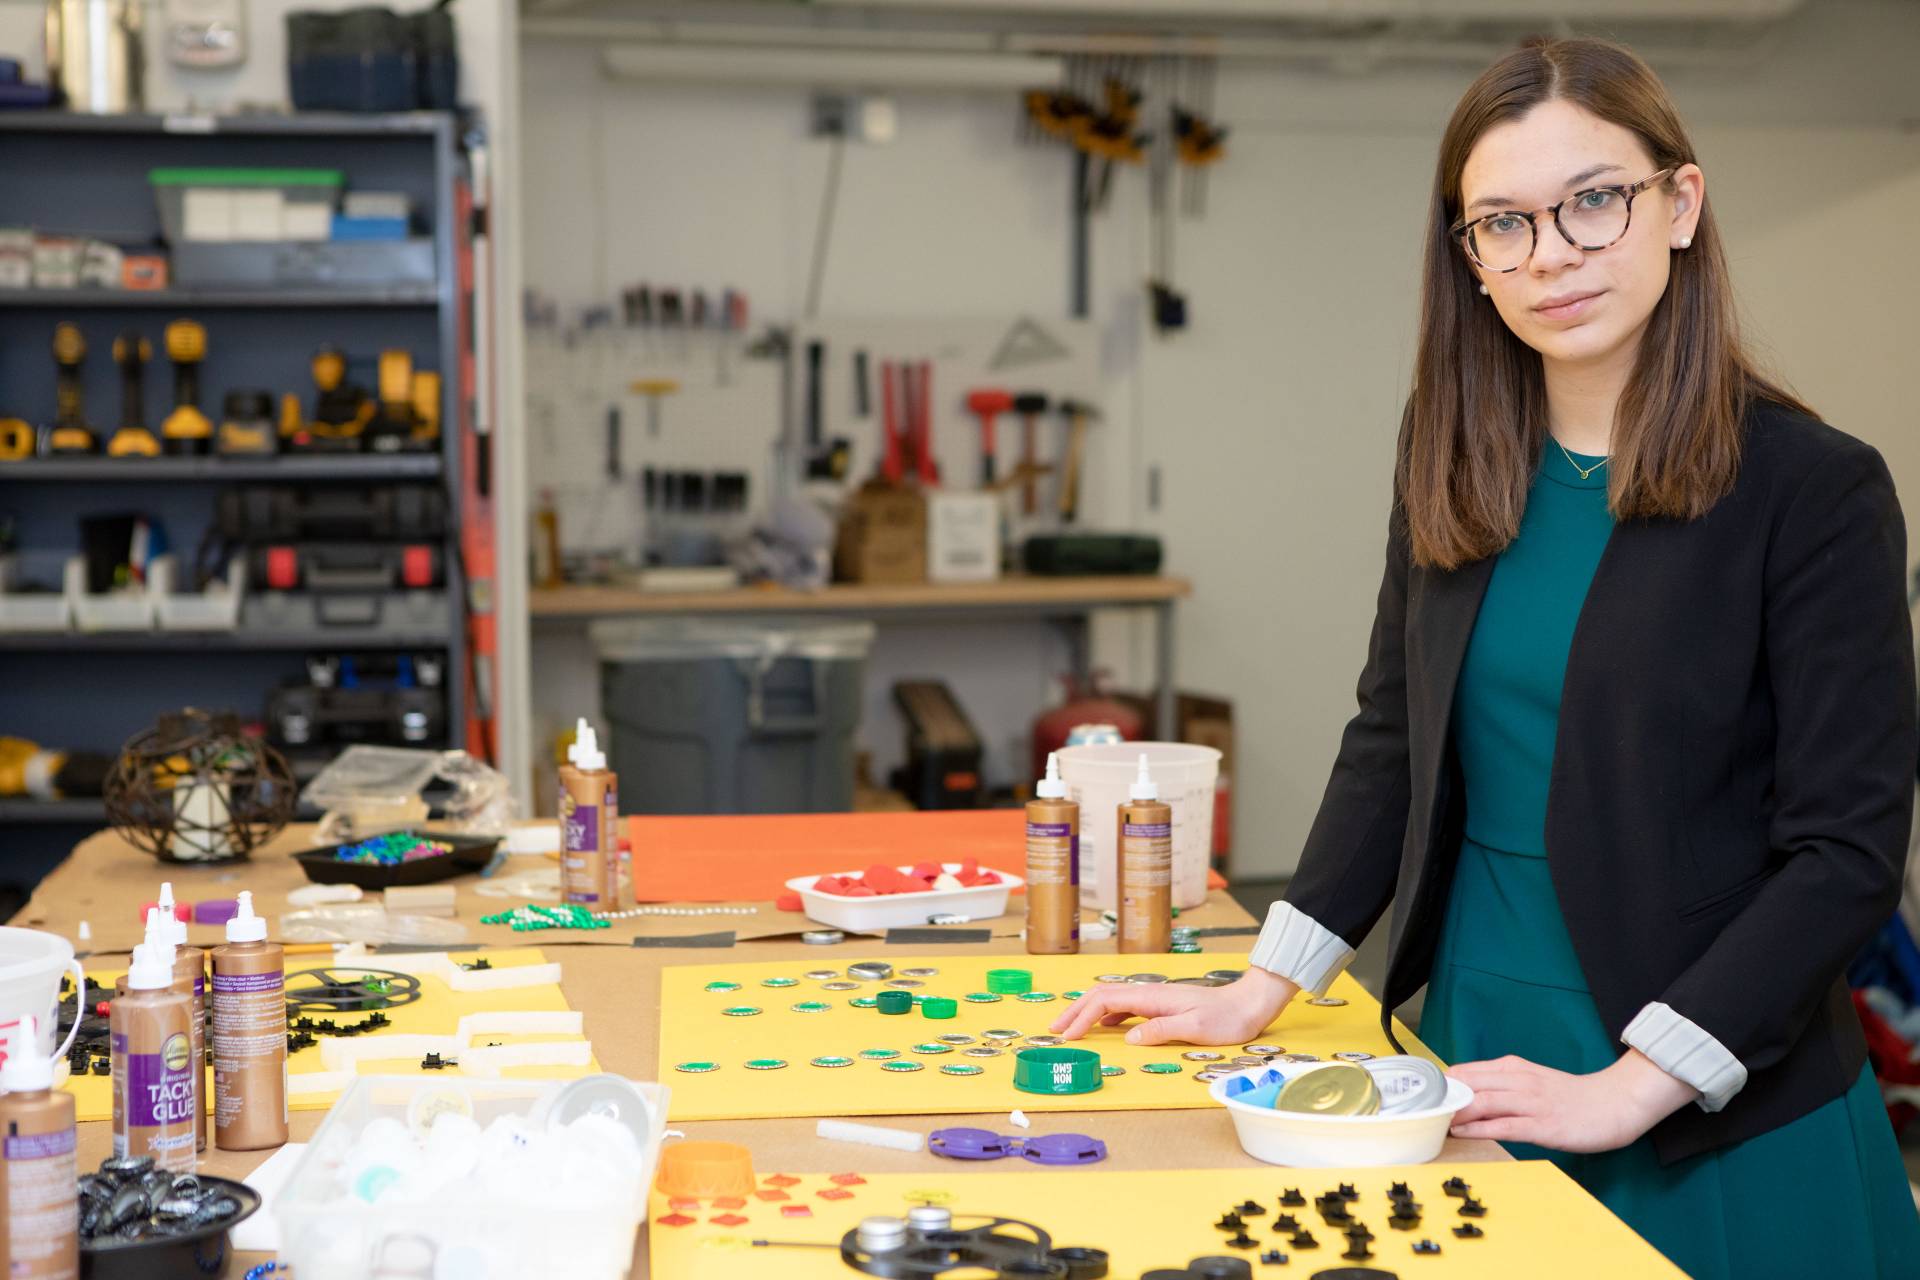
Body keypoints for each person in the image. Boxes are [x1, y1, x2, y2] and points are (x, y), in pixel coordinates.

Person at [1050, 35, 1920, 1279]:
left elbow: (1845, 851)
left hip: (1711, 1093)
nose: (1550, 252)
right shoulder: (1456, 450)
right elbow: (1393, 738)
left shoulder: (1812, 488)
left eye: (1594, 200)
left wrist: (1634, 1083)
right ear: (1469, 256)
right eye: (1503, 223)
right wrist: (1262, 985)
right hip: (1474, 1047)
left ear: (1680, 204)